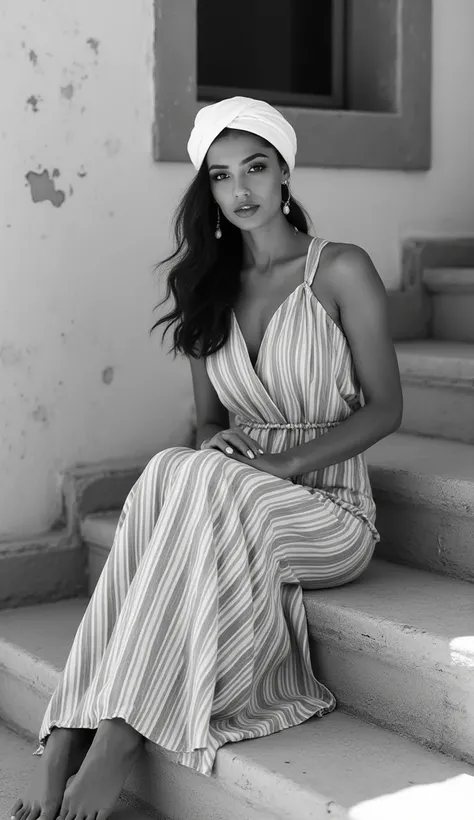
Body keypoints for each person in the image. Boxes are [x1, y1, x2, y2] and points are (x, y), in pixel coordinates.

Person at [11, 96, 403, 820]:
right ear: (209, 191)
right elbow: (208, 426)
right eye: (221, 176)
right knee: (173, 464)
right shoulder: (204, 287)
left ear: (285, 171)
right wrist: (212, 448)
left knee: (192, 478)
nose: (242, 189)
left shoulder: (342, 269)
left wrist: (280, 467)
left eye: (255, 168)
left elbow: (387, 407)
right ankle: (71, 732)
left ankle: (110, 737)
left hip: (328, 512)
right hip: (227, 501)